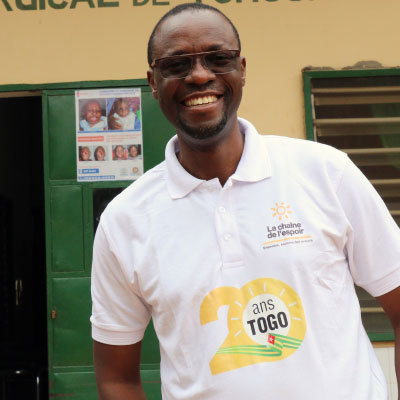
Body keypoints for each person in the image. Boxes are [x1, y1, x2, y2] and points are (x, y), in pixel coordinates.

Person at [91, 3, 400, 400]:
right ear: (153, 82)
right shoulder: (125, 221)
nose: (200, 75)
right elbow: (117, 378)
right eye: (177, 65)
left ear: (242, 70)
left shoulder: (325, 173)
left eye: (218, 58)